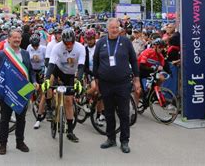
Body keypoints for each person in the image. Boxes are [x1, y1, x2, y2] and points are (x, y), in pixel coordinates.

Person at [93, 18, 140, 154]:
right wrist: (96, 81)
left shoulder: (125, 42)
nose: (115, 30)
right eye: (112, 28)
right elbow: (95, 62)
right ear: (107, 28)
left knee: (124, 113)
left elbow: (134, 61)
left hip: (123, 83)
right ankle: (111, 138)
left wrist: (136, 80)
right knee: (109, 112)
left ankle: (124, 140)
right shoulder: (101, 43)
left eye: (117, 27)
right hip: (106, 83)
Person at [0, 29, 37, 155]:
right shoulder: (2, 54)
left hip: (23, 90)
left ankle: (20, 142)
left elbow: (31, 71)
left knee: (21, 118)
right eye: (14, 37)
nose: (17, 40)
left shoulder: (25, 53)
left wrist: (34, 81)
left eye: (19, 38)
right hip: (7, 90)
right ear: (8, 39)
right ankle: (3, 144)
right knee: (5, 119)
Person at [43, 28, 85, 143]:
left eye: (71, 43)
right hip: (58, 71)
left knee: (68, 101)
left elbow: (81, 66)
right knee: (49, 81)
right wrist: (46, 79)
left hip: (71, 75)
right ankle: (49, 109)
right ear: (62, 41)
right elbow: (51, 63)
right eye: (66, 43)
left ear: (74, 40)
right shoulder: (57, 47)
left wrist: (78, 80)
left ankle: (70, 131)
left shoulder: (80, 48)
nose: (69, 45)